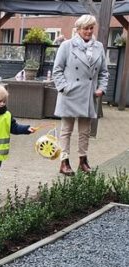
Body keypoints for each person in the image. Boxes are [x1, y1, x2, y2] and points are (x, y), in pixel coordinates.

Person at [52, 14, 109, 176]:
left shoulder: (99, 47)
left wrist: (101, 89)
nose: (89, 31)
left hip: (89, 96)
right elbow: (57, 70)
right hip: (70, 94)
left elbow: (104, 72)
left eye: (91, 28)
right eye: (86, 28)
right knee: (66, 130)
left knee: (85, 131)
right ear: (78, 30)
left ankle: (83, 161)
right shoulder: (67, 46)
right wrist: (64, 88)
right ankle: (64, 162)